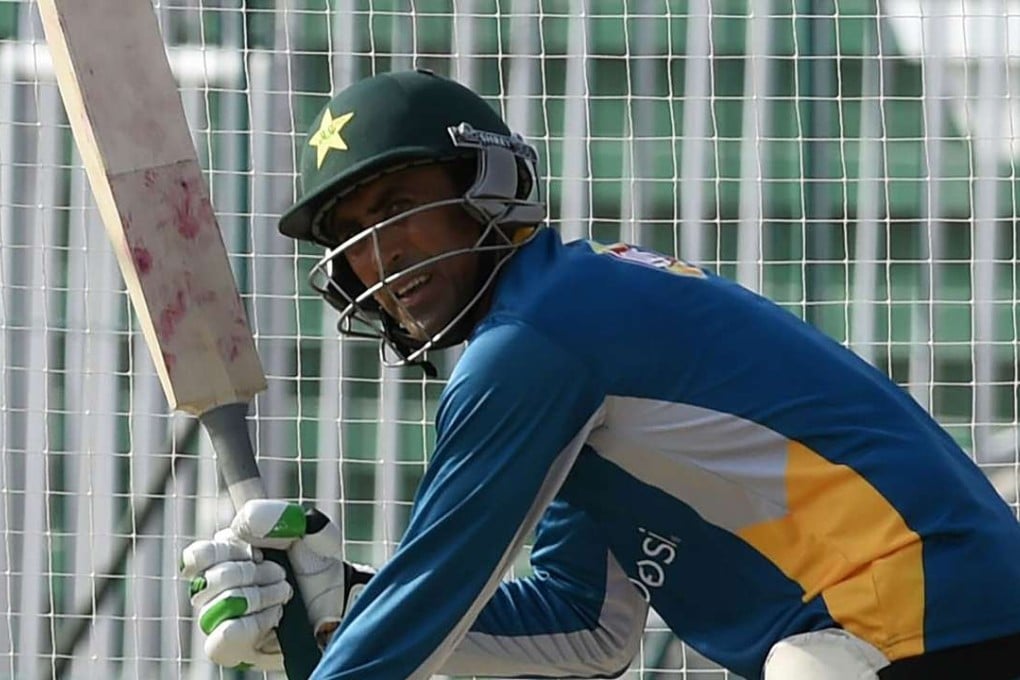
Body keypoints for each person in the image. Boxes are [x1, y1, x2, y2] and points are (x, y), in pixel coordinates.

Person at [179, 69, 1020, 680]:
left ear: (487, 187)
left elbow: (430, 598)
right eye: (353, 236)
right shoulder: (569, 334)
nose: (381, 255)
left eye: (398, 208)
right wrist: (344, 604)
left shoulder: (536, 340)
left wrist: (359, 634)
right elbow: (585, 625)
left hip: (934, 624)